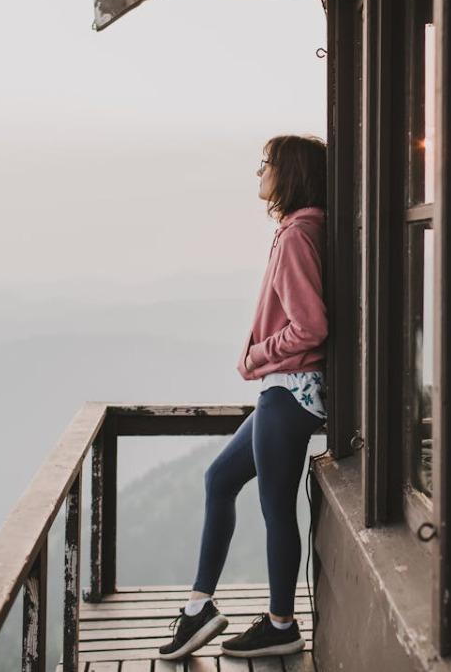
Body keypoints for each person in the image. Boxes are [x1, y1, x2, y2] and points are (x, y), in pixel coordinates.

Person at [159, 134, 328, 660]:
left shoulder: (298, 235)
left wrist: (258, 356)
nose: (259, 174)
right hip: (285, 389)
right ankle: (198, 609)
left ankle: (281, 623)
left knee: (276, 507)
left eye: (266, 165)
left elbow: (311, 327)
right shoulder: (300, 230)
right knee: (219, 479)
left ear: (291, 174)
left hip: (290, 391)